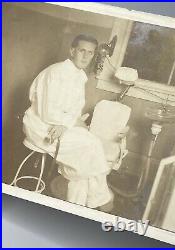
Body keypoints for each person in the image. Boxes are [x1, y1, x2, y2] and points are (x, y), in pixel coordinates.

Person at [22, 34, 114, 209]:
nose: (86, 56)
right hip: (42, 126)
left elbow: (72, 109)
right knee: (91, 146)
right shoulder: (56, 72)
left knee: (84, 164)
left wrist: (70, 122)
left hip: (60, 124)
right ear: (72, 51)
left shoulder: (78, 76)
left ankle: (76, 208)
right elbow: (47, 111)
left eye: (90, 53)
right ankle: (101, 198)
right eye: (82, 51)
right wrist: (68, 123)